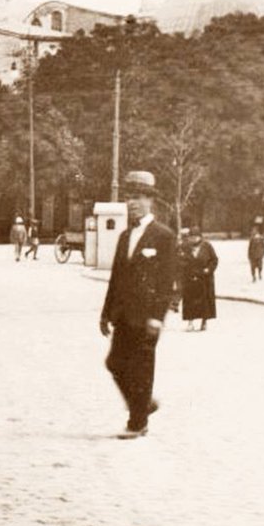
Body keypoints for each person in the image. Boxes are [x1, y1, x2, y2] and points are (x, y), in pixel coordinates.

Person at [99, 170, 176, 439]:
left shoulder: (163, 235)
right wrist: (105, 313)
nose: (132, 202)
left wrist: (158, 316)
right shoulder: (124, 236)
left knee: (142, 368)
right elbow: (116, 278)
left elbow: (167, 281)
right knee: (114, 363)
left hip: (146, 317)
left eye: (138, 197)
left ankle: (138, 422)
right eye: (129, 197)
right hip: (122, 315)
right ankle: (144, 404)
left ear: (150, 201)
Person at [181, 227, 218, 331]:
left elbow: (214, 260)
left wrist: (209, 270)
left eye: (195, 237)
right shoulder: (184, 247)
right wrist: (185, 270)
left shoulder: (207, 246)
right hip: (190, 278)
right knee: (189, 301)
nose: (193, 239)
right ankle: (190, 322)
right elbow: (180, 260)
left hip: (204, 278)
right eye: (191, 237)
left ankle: (204, 321)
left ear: (200, 237)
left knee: (204, 301)